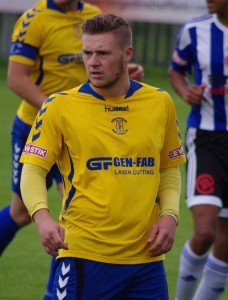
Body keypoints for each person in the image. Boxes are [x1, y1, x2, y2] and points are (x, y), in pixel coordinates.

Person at [20, 12, 185, 299]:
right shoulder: (59, 106)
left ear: (127, 53)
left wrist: (170, 215)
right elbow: (33, 169)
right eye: (87, 53)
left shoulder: (160, 102)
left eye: (103, 53)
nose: (93, 62)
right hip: (83, 255)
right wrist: (42, 217)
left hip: (146, 262)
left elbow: (168, 168)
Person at [0, 1, 143, 299]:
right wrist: (58, 112)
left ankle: (58, 292)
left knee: (76, 211)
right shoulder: (34, 20)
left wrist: (126, 73)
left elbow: (97, 66)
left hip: (81, 128)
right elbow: (16, 78)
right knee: (22, 212)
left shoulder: (93, 17)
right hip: (35, 126)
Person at [168, 0, 228, 299]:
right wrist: (185, 91)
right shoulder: (194, 30)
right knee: (205, 232)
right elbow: (176, 71)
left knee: (226, 242)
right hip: (207, 138)